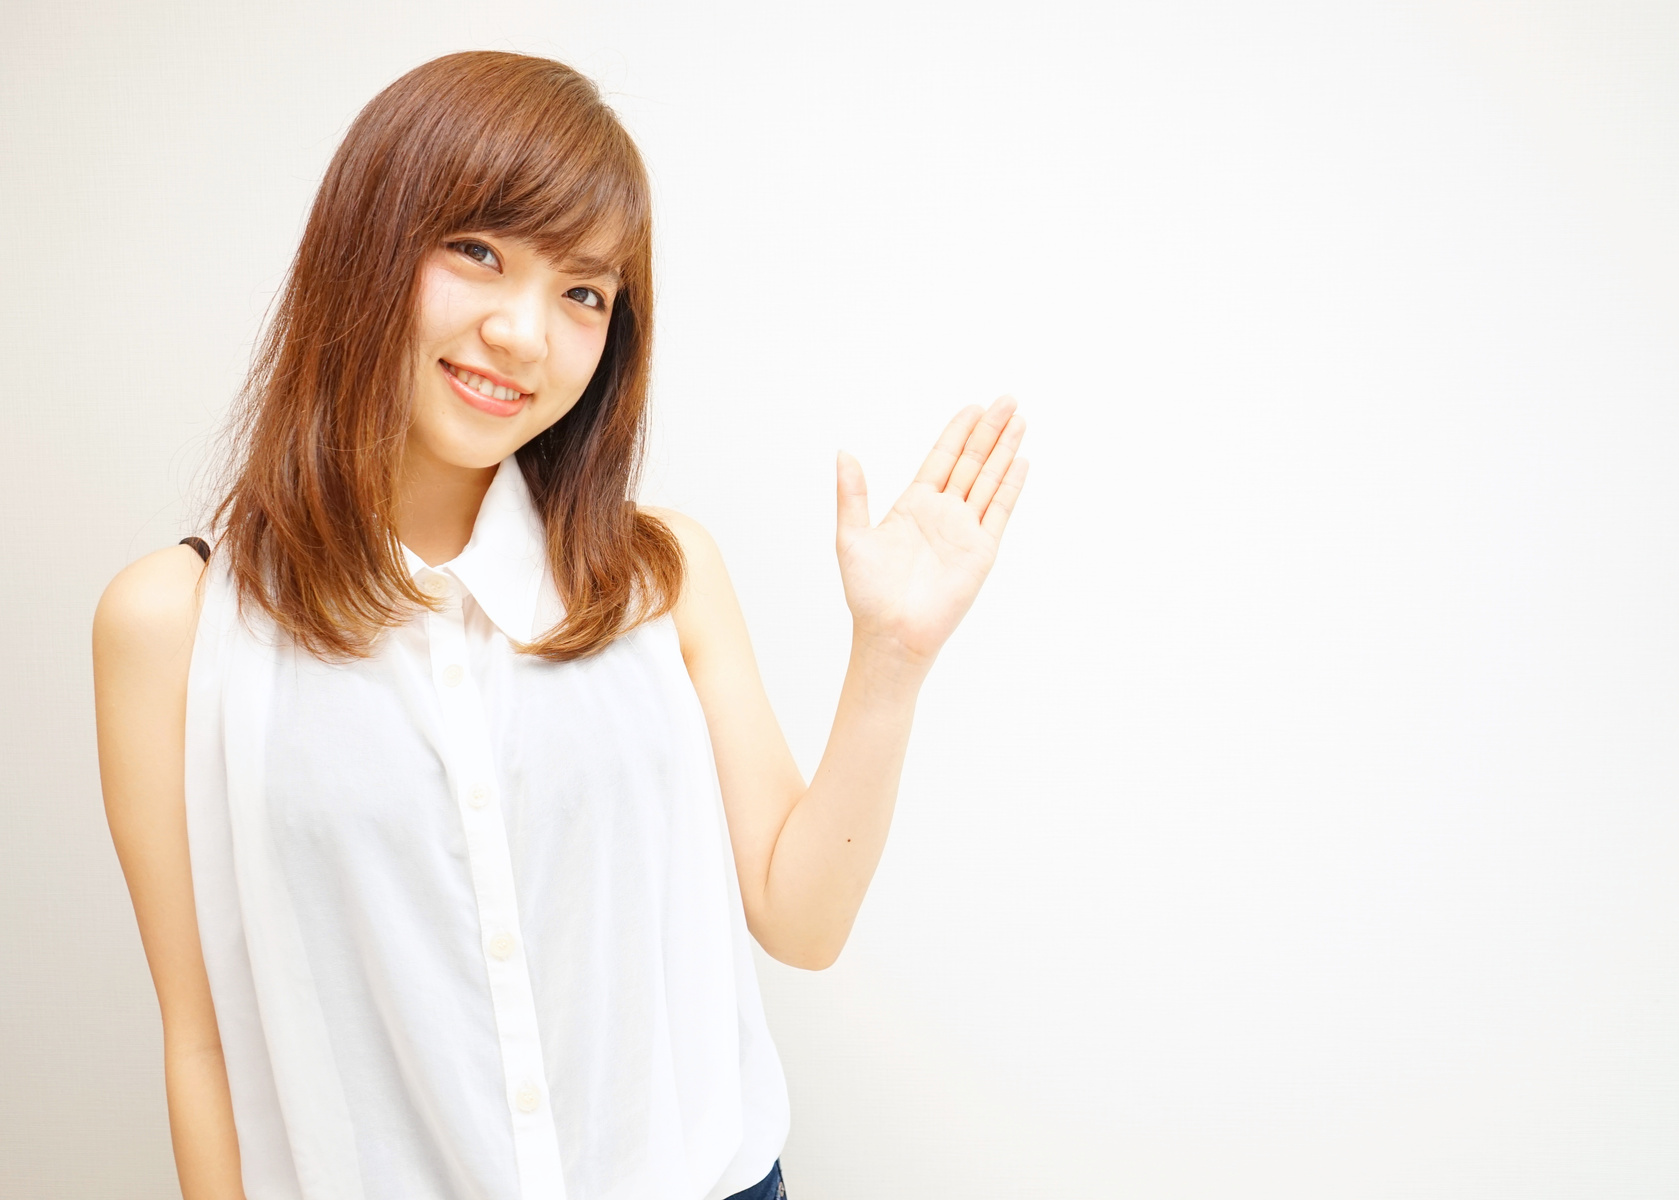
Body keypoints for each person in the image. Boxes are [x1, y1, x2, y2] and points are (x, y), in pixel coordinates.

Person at [91, 51, 1027, 1200]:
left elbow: (801, 917)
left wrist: (891, 660)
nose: (526, 335)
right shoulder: (175, 626)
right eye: (479, 252)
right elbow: (201, 1046)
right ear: (365, 245)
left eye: (584, 291)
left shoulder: (660, 576)